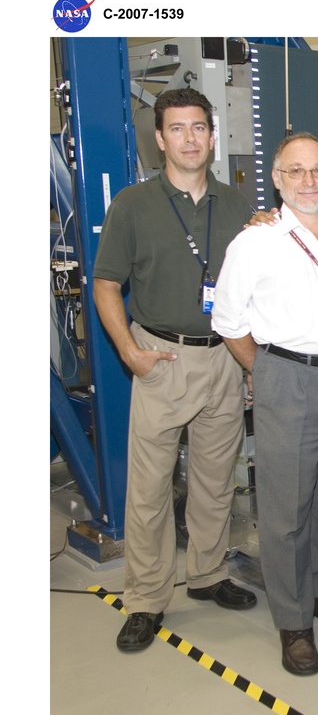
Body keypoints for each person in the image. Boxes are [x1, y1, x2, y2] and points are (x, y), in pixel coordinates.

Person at [92, 87, 257, 653]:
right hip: (160, 357)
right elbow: (106, 284)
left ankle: (208, 574)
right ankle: (145, 597)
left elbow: (255, 287)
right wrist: (129, 352)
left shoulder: (238, 208)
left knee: (215, 482)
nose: (191, 139)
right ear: (160, 138)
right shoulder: (133, 205)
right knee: (149, 491)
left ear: (213, 136)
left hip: (225, 357)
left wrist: (252, 361)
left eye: (199, 128)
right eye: (178, 129)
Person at [211, 133, 318, 675]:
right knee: (285, 510)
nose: (308, 181)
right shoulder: (256, 241)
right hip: (285, 377)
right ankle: (293, 622)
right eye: (294, 171)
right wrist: (269, 373)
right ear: (276, 178)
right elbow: (228, 322)